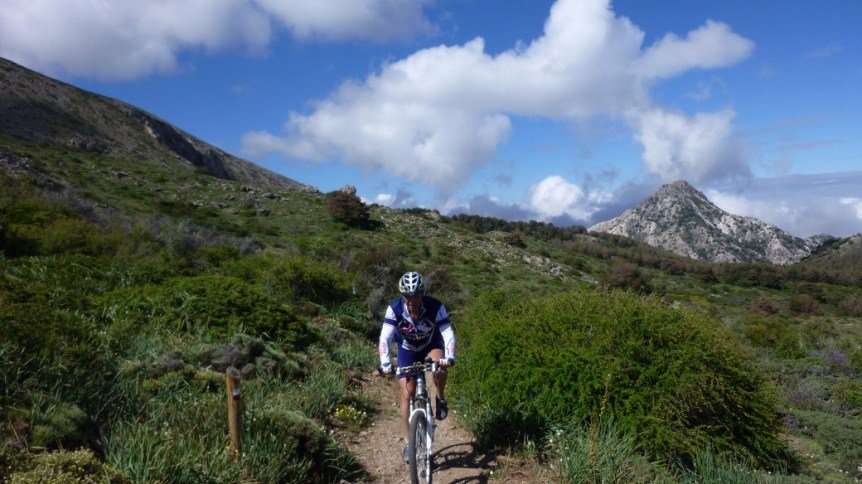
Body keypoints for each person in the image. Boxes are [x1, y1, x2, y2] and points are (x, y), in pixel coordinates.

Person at [379, 271, 456, 462]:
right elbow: (385, 338)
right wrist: (385, 364)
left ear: (422, 294)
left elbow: (447, 332)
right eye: (407, 295)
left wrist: (450, 356)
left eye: (415, 295)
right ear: (402, 295)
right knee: (408, 394)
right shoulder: (395, 309)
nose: (411, 300)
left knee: (439, 368)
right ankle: (409, 442)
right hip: (407, 348)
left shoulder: (435, 307)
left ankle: (440, 397)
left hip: (431, 344)